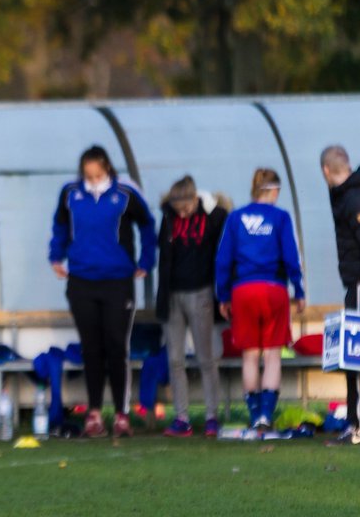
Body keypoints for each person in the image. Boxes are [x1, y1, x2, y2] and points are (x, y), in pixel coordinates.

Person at [48, 145, 156, 438]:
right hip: (81, 280)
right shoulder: (70, 193)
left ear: (106, 168)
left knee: (116, 345)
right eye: (87, 174)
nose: (92, 179)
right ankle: (94, 413)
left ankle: (121, 413)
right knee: (91, 347)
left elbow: (148, 225)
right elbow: (59, 225)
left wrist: (146, 261)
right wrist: (56, 256)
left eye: (97, 174)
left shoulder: (125, 192)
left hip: (117, 281)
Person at [215, 168, 305, 430]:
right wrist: (298, 290)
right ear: (274, 190)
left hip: (243, 291)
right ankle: (266, 415)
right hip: (273, 290)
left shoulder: (235, 218)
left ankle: (254, 416)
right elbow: (290, 257)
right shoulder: (280, 217)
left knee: (250, 356)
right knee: (273, 355)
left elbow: (223, 260)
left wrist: (223, 295)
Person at [155, 177, 228, 438]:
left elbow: (225, 227)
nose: (182, 214)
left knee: (206, 358)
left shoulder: (213, 216)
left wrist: (211, 205)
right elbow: (162, 253)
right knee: (175, 358)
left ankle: (212, 416)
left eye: (186, 209)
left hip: (202, 293)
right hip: (172, 293)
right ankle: (182, 417)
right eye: (178, 210)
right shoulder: (168, 217)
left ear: (195, 200)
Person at [322, 144, 360, 443]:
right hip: (354, 282)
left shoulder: (351, 198)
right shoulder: (347, 194)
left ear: (326, 170)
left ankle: (356, 425)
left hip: (359, 283)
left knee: (356, 355)